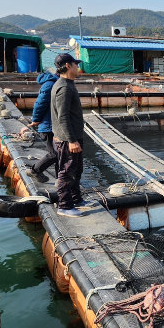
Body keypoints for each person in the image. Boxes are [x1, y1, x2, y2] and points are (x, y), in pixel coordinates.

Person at [51, 53, 91, 217]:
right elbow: (63, 116)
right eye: (76, 64)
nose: (78, 67)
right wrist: (71, 140)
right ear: (68, 66)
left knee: (76, 170)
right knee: (67, 172)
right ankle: (65, 206)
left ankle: (76, 199)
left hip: (72, 137)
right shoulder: (64, 87)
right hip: (67, 139)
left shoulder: (68, 84)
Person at [26, 71, 59, 183]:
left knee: (60, 154)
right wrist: (36, 119)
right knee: (55, 153)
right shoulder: (50, 84)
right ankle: (35, 170)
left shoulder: (55, 83)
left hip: (53, 124)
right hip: (48, 126)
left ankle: (60, 180)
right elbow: (40, 103)